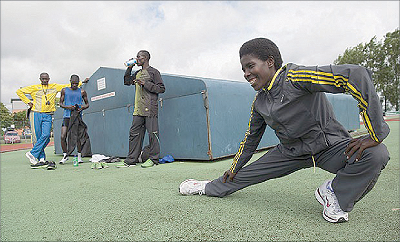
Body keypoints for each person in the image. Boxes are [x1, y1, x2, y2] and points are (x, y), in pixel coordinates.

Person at [179, 38, 390, 223]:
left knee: (376, 154)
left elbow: (356, 75)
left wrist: (375, 133)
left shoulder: (297, 76)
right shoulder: (260, 102)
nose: (246, 74)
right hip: (290, 153)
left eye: (250, 66)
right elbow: (250, 140)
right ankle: (206, 187)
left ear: (270, 62)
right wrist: (234, 168)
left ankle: (334, 194)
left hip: (328, 147)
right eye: (243, 69)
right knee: (239, 176)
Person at [16, 72, 88, 170]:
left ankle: (32, 153)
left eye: (46, 79)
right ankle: (41, 158)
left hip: (48, 114)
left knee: (46, 136)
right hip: (36, 113)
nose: (45, 80)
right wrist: (28, 102)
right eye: (42, 79)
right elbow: (19, 92)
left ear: (49, 79)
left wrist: (82, 82)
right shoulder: (34, 87)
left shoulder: (54, 87)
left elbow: (67, 85)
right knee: (37, 136)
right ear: (40, 79)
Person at [121, 50, 165, 168]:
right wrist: (129, 68)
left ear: (145, 58)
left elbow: (161, 89)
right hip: (138, 109)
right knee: (134, 134)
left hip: (150, 108)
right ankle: (131, 160)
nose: (137, 59)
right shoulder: (137, 73)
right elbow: (126, 81)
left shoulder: (154, 72)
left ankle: (153, 159)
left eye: (139, 57)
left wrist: (145, 84)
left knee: (153, 134)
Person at [59, 74, 90, 164]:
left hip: (77, 117)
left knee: (77, 138)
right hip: (67, 117)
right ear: (70, 81)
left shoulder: (82, 92)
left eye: (76, 83)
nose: (75, 85)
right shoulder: (64, 90)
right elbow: (60, 104)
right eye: (73, 83)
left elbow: (87, 104)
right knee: (63, 136)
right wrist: (68, 107)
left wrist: (82, 108)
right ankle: (65, 155)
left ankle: (79, 157)